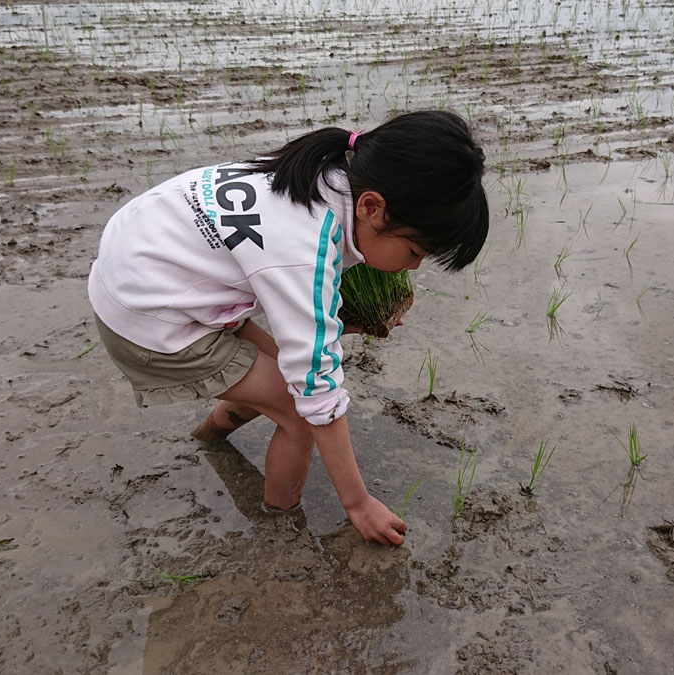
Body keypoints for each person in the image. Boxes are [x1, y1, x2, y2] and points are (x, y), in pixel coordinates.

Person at [88, 110, 488, 546]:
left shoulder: (323, 172)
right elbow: (316, 389)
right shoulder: (305, 249)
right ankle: (279, 528)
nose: (412, 266)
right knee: (300, 413)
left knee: (278, 374)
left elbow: (301, 314)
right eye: (414, 251)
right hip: (150, 320)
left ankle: (208, 438)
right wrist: (357, 503)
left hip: (146, 272)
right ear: (372, 207)